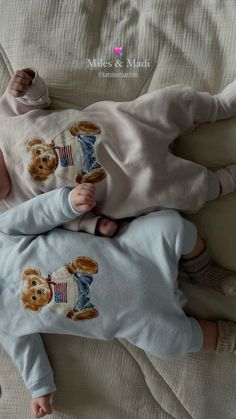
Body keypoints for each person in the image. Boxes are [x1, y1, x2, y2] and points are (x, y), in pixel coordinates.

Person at [0, 185, 236, 418]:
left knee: (173, 226)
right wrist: (39, 388)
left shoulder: (3, 235)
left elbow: (36, 213)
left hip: (134, 251)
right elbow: (24, 353)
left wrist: (67, 202)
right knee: (173, 341)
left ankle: (204, 271)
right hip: (135, 319)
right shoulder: (4, 321)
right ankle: (227, 339)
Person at [1, 68, 236, 237]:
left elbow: (36, 100)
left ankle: (219, 106)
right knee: (182, 191)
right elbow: (57, 217)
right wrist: (92, 224)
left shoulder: (4, 123)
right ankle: (224, 181)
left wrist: (27, 85)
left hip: (125, 126)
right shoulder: (17, 207)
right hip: (129, 183)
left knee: (166, 103)